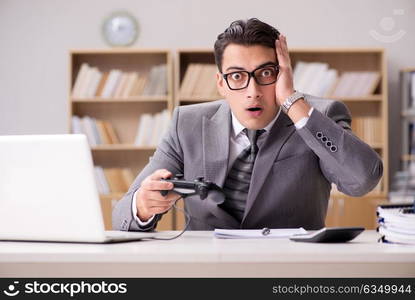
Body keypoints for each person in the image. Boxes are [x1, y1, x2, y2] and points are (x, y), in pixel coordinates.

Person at [112, 18, 383, 231]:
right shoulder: (188, 124)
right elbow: (121, 215)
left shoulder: (317, 117)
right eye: (237, 76)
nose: (252, 91)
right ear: (221, 83)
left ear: (283, 74)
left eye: (266, 73)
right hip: (208, 273)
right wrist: (143, 206)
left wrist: (291, 100)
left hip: (290, 270)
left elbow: (363, 180)